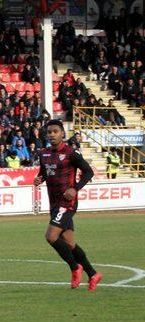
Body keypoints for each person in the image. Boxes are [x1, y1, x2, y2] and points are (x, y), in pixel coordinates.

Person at [33, 120, 102, 291]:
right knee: (70, 244)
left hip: (67, 202)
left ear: (63, 133)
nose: (52, 134)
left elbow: (88, 171)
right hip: (54, 203)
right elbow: (43, 172)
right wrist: (39, 178)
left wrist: (75, 188)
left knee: (51, 236)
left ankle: (74, 267)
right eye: (49, 132)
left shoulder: (71, 153)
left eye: (55, 131)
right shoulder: (43, 154)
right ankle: (93, 274)